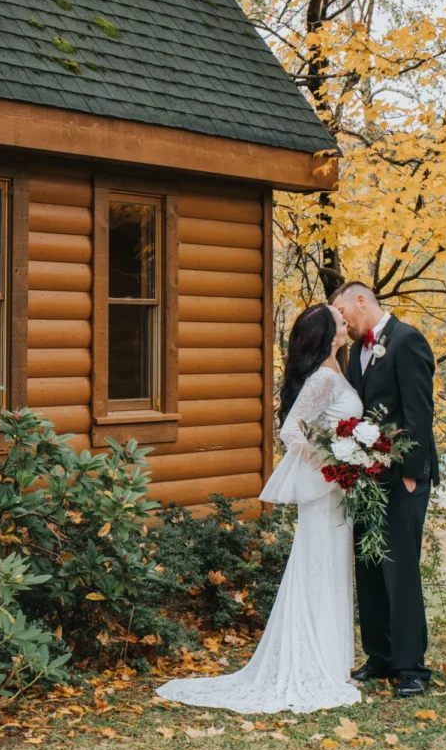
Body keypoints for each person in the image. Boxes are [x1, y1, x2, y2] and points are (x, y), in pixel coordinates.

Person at [155, 304, 363, 714]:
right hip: (326, 491)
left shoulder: (337, 371)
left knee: (334, 567)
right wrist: (330, 463)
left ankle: (334, 661)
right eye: (340, 321)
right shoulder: (323, 377)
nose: (346, 322)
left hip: (340, 492)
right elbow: (291, 429)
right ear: (329, 333)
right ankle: (314, 664)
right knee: (318, 566)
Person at [330, 281, 438, 699]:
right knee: (370, 568)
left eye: (344, 311)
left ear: (362, 300)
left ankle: (411, 668)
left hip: (402, 480)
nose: (342, 320)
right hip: (365, 479)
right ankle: (380, 655)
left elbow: (419, 410)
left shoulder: (408, 341)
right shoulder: (356, 351)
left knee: (401, 573)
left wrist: (412, 474)